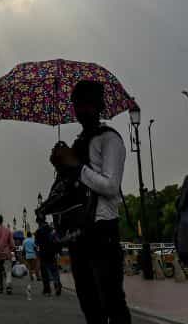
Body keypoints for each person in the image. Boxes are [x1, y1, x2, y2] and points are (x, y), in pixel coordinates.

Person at [49, 79, 131, 324]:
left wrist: (76, 166)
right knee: (89, 303)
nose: (80, 110)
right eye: (76, 104)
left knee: (112, 301)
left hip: (102, 229)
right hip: (79, 231)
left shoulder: (110, 139)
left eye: (85, 104)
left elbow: (111, 186)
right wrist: (61, 164)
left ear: (98, 106)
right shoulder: (80, 141)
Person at [35, 214, 62, 296]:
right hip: (52, 253)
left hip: (43, 253)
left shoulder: (38, 232)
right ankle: (57, 284)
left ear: (38, 222)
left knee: (45, 272)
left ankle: (47, 290)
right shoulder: (51, 229)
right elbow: (57, 240)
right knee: (54, 270)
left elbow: (36, 244)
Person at [0, 214, 15, 294]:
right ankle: (8, 287)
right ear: (2, 221)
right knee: (8, 271)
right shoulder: (8, 230)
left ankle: (0, 287)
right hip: (7, 254)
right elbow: (12, 244)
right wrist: (11, 249)